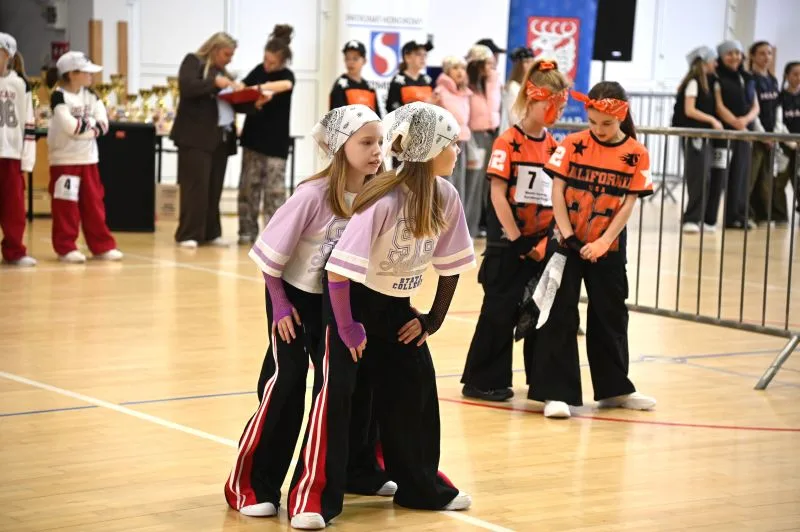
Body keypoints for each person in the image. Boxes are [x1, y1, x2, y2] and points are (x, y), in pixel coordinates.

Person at [288, 102, 475, 530]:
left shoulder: (447, 196)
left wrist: (431, 320)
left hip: (396, 306)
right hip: (349, 305)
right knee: (339, 396)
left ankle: (419, 486)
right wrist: (347, 327)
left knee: (415, 389)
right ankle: (313, 498)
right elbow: (337, 272)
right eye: (452, 144)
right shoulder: (384, 200)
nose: (458, 152)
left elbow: (450, 266)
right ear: (430, 149)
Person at [224, 105, 394, 519]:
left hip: (341, 302)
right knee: (287, 380)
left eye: (380, 142)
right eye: (366, 143)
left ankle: (357, 469)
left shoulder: (378, 194)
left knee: (350, 384)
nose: (377, 151)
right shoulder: (311, 195)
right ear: (339, 147)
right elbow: (269, 257)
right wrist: (280, 307)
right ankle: (251, 484)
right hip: (294, 300)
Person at [529, 81, 657, 419]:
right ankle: (556, 393)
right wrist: (570, 236)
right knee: (559, 313)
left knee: (610, 314)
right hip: (566, 241)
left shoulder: (637, 153)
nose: (599, 130)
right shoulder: (572, 144)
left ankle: (615, 389)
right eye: (593, 122)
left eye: (607, 124)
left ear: (622, 117)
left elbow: (628, 204)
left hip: (608, 246)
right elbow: (557, 191)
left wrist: (602, 242)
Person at [461, 59, 569, 402]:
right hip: (508, 244)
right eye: (550, 106)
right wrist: (518, 239)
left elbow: (558, 198)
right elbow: (497, 194)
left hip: (542, 242)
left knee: (540, 313)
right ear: (532, 99)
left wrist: (545, 241)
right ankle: (483, 381)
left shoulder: (555, 147)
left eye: (561, 107)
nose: (556, 113)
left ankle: (543, 383)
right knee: (499, 311)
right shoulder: (507, 142)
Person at [47, 51, 122, 263]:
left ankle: (101, 246)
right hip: (64, 161)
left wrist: (85, 128)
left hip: (89, 159)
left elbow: (104, 125)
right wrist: (90, 127)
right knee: (66, 207)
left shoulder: (92, 96)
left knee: (94, 205)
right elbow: (69, 127)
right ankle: (66, 248)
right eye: (86, 72)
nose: (91, 76)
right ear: (72, 74)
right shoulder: (59, 97)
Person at [170, 32, 242, 248]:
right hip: (195, 137)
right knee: (195, 187)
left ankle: (211, 232)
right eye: (226, 54)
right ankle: (188, 233)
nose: (229, 59)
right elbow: (187, 87)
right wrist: (214, 83)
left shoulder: (224, 73)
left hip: (220, 138)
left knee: (214, 187)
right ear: (214, 49)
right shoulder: (193, 61)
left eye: (232, 55)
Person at [237, 25, 296, 244]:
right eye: (265, 60)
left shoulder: (287, 76)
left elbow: (286, 85)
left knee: (274, 192)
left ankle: (273, 236)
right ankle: (246, 231)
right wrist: (249, 92)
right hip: (253, 140)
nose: (267, 65)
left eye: (272, 62)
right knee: (248, 188)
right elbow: (241, 88)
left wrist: (260, 89)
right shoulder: (258, 71)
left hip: (276, 143)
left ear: (282, 61)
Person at [671, 46, 724, 233]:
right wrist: (712, 120)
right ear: (704, 62)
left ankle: (699, 217)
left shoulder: (708, 83)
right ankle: (691, 218)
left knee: (705, 178)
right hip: (694, 136)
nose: (716, 64)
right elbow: (689, 110)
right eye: (713, 60)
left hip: (704, 137)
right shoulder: (693, 82)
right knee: (698, 178)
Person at [714, 40, 760, 230]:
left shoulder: (747, 77)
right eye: (729, 53)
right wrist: (735, 123)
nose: (734, 57)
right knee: (721, 177)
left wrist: (745, 121)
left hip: (744, 132)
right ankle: (710, 217)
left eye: (737, 53)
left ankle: (738, 216)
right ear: (721, 56)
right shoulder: (717, 77)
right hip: (725, 133)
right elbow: (719, 105)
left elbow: (755, 106)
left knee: (741, 175)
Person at [0, 32, 36, 266]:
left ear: (8, 55)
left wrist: (27, 159)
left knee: (13, 208)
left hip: (11, 155)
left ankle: (14, 251)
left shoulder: (20, 84)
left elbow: (28, 122)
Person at [464, 44, 501, 237]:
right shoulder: (466, 86)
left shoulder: (493, 83)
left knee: (484, 185)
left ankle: (477, 225)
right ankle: (466, 228)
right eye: (487, 63)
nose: (491, 67)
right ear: (477, 64)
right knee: (472, 184)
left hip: (491, 135)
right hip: (473, 136)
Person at [748, 41, 783, 226]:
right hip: (756, 135)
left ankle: (763, 215)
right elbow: (753, 109)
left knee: (766, 179)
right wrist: (763, 135)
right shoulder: (750, 79)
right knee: (751, 177)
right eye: (762, 53)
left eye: (769, 53)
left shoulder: (773, 80)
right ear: (753, 56)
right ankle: (747, 214)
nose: (766, 57)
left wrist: (775, 133)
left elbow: (777, 108)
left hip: (771, 136)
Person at [434, 55, 472, 199]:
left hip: (462, 140)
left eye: (463, 68)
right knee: (446, 181)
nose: (460, 71)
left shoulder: (465, 92)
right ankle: (444, 211)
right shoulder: (440, 91)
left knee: (460, 182)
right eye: (455, 68)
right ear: (447, 71)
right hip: (445, 143)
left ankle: (457, 211)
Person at [329, 40, 380, 115]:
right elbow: (337, 116)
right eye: (347, 58)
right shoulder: (340, 86)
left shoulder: (369, 88)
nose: (351, 62)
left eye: (355, 58)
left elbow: (377, 116)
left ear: (364, 61)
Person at [385, 40, 434, 113]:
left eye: (425, 55)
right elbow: (392, 109)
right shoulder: (398, 81)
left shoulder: (427, 80)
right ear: (407, 58)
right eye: (418, 54)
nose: (423, 58)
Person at [777, 61, 800, 216]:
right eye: (795, 74)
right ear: (787, 76)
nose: (798, 78)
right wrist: (791, 143)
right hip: (784, 146)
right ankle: (779, 215)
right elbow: (778, 122)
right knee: (780, 181)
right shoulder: (780, 97)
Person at [500, 46, 535, 131]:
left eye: (532, 62)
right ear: (519, 66)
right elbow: (514, 118)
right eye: (526, 62)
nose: (531, 65)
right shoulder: (513, 88)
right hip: (516, 133)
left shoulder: (531, 86)